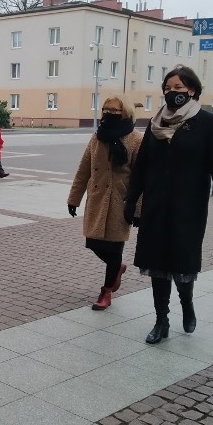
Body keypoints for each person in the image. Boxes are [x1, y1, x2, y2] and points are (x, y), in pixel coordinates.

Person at [124, 65, 213, 344]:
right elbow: (142, 166)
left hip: (189, 206)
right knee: (156, 262)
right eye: (168, 88)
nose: (172, 93)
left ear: (192, 90)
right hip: (156, 204)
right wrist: (131, 199)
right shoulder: (155, 123)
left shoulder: (206, 123)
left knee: (182, 262)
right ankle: (162, 320)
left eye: (179, 88)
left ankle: (187, 302)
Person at [67, 97, 143, 310]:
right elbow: (84, 169)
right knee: (93, 243)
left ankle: (106, 291)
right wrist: (74, 198)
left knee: (115, 249)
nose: (109, 113)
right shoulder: (97, 137)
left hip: (121, 202)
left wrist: (137, 209)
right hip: (98, 199)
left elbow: (141, 177)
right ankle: (117, 268)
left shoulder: (136, 139)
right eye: (105, 109)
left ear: (125, 112)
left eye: (114, 110)